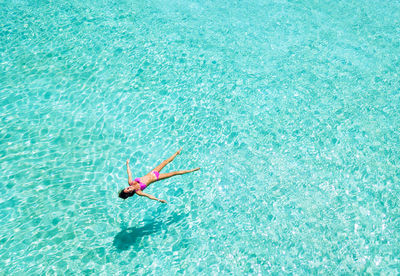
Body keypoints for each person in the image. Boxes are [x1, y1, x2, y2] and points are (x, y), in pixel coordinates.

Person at [118, 148, 199, 203]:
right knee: (174, 173)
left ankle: (177, 153)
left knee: (165, 161)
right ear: (130, 192)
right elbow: (148, 196)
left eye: (126, 188)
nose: (127, 187)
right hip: (156, 177)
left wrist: (127, 164)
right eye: (128, 189)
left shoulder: (131, 182)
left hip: (153, 172)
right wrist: (159, 200)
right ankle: (192, 170)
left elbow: (129, 173)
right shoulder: (138, 191)